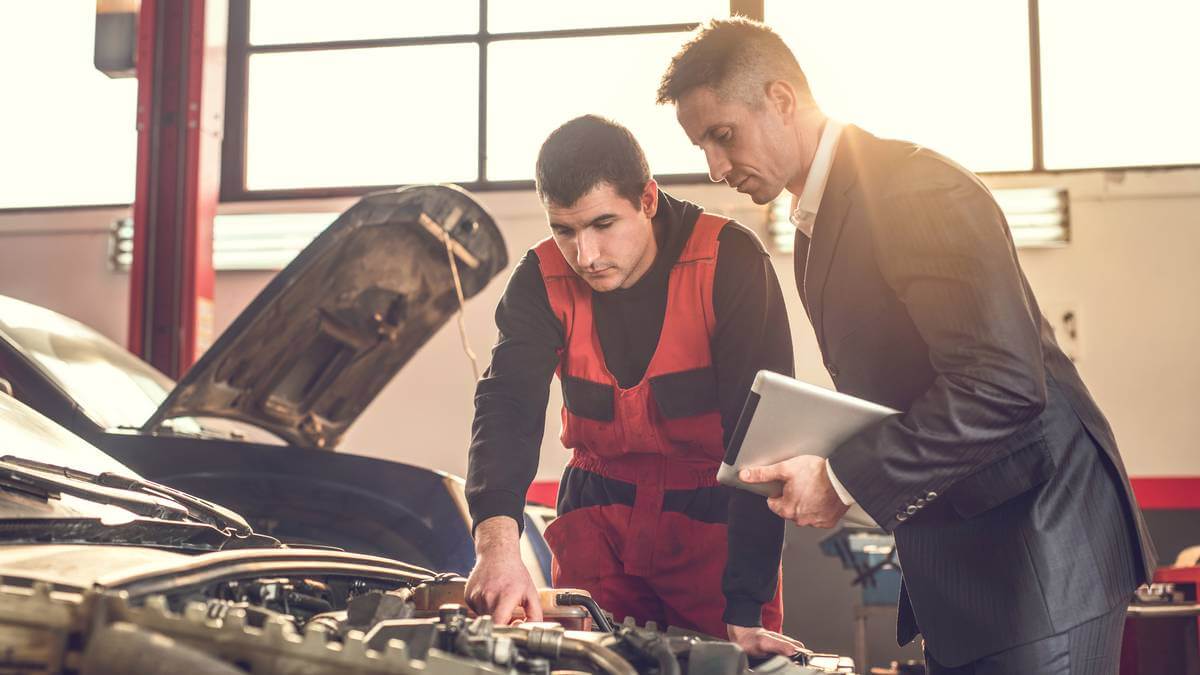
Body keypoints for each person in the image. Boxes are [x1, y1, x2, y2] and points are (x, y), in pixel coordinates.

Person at [657, 18, 1157, 674]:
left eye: (723, 136)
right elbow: (905, 385)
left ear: (781, 99)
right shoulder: (815, 226)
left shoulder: (915, 187)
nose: (716, 167)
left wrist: (840, 475)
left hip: (1038, 556)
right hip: (972, 565)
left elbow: (1000, 383)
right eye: (702, 147)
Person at [463, 114, 802, 656]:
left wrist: (744, 605)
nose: (586, 256)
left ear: (647, 199)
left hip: (715, 531)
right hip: (596, 527)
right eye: (565, 230)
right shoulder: (540, 277)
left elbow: (763, 438)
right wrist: (497, 546)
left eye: (602, 224)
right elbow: (507, 406)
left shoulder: (729, 261)